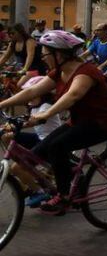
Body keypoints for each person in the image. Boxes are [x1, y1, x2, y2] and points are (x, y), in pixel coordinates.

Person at [0, 31, 107, 214]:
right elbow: (32, 91)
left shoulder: (86, 72)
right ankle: (66, 177)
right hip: (78, 122)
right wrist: (1, 103)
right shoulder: (59, 72)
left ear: (59, 54)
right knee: (42, 150)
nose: (43, 57)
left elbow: (73, 95)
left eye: (45, 53)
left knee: (57, 146)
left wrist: (46, 114)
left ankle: (63, 195)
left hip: (102, 124)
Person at [1, 75, 62, 207]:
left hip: (49, 143)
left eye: (32, 95)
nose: (29, 98)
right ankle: (27, 167)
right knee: (6, 137)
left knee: (15, 169)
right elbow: (25, 119)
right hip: (39, 139)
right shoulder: (34, 106)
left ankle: (40, 191)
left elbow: (33, 121)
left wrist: (15, 125)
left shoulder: (46, 106)